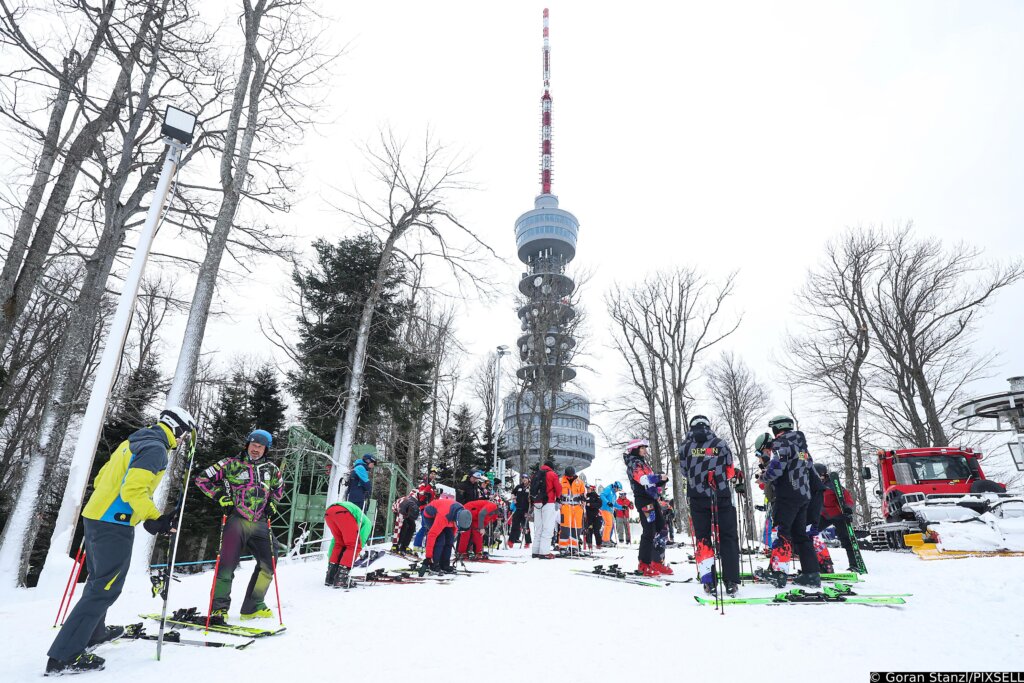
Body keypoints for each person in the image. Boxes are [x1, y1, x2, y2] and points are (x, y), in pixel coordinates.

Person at [46, 406, 197, 675]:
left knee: (99, 581)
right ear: (177, 429)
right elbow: (133, 489)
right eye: (184, 434)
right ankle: (64, 656)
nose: (183, 440)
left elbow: (103, 477)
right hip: (112, 523)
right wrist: (153, 518)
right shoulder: (155, 449)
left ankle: (94, 633)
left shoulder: (135, 441)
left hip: (97, 516)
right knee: (105, 588)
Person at [195, 429, 284, 621]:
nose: (256, 449)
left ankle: (253, 605)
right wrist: (220, 496)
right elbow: (201, 479)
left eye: (260, 447)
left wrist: (273, 504)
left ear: (266, 449)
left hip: (260, 522)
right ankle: (219, 609)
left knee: (270, 561)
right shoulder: (230, 464)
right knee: (227, 565)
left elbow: (278, 488)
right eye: (253, 445)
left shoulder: (272, 469)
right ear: (247, 444)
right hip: (237, 519)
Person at [679, 415, 742, 596]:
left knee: (703, 537)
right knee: (728, 536)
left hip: (697, 497)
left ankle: (709, 581)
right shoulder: (720, 444)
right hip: (720, 495)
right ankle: (731, 581)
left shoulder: (685, 447)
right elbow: (729, 469)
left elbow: (684, 472)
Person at [757, 415, 821, 588]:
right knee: (800, 535)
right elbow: (810, 468)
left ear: (777, 429)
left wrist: (763, 477)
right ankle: (812, 574)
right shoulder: (802, 447)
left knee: (782, 532)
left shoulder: (781, 443)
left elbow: (777, 468)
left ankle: (778, 573)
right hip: (803, 495)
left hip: (787, 494)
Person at [623, 438, 670, 576]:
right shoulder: (634, 463)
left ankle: (657, 561)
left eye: (645, 448)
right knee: (649, 531)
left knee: (662, 529)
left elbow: (650, 483)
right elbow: (643, 480)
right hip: (644, 501)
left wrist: (660, 481)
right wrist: (659, 477)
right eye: (642, 448)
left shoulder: (643, 463)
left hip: (652, 499)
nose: (645, 450)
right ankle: (644, 564)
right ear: (635, 449)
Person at [816, 463, 860, 572]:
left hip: (838, 514)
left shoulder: (833, 485)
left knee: (846, 539)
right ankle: (821, 563)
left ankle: (854, 564)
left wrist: (848, 509)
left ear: (822, 474)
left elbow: (847, 498)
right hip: (824, 515)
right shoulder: (815, 485)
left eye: (818, 475)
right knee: (811, 534)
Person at [324, 500, 372, 587]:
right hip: (344, 512)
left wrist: (330, 563)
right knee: (354, 545)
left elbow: (334, 543)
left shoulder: (355, 517)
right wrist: (359, 547)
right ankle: (342, 579)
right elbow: (360, 541)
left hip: (329, 512)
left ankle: (330, 577)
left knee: (339, 543)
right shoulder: (366, 522)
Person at [419, 497, 472, 575]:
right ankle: (434, 564)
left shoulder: (462, 513)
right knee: (440, 538)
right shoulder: (444, 516)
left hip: (446, 514)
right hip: (431, 516)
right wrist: (428, 558)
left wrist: (450, 541)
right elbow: (431, 535)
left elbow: (453, 530)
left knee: (449, 538)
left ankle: (444, 564)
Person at [530, 459, 561, 559]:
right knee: (548, 528)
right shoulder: (552, 474)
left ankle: (535, 551)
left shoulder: (536, 474)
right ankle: (544, 552)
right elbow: (558, 488)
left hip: (536, 503)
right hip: (548, 502)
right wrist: (558, 498)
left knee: (538, 528)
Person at [558, 466, 587, 553]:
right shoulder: (560, 481)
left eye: (571, 476)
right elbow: (557, 493)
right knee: (565, 528)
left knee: (577, 528)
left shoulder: (580, 482)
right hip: (566, 506)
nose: (569, 477)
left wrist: (583, 499)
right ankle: (563, 547)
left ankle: (574, 547)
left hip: (577, 507)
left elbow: (583, 493)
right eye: (568, 476)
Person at [412, 467, 441, 550]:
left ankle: (428, 546)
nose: (433, 476)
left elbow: (434, 498)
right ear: (429, 474)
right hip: (424, 507)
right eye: (432, 474)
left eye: (435, 474)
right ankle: (417, 545)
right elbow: (421, 494)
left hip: (432, 508)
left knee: (430, 527)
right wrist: (429, 486)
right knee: (425, 526)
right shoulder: (424, 483)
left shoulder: (434, 485)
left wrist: (438, 496)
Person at [508, 473, 532, 548]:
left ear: (528, 479)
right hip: (518, 509)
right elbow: (513, 493)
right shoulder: (518, 487)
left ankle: (527, 542)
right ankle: (511, 541)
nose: (524, 480)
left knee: (525, 526)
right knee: (515, 525)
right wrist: (514, 498)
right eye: (523, 478)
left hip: (526, 509)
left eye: (525, 478)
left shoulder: (530, 487)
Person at [394, 490, 420, 555]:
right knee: (403, 526)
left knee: (412, 526)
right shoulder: (401, 511)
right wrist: (395, 544)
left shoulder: (415, 503)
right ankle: (397, 544)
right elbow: (397, 528)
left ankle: (404, 545)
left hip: (408, 509)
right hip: (397, 508)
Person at [584, 485, 604, 550]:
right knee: (589, 530)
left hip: (596, 516)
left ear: (592, 489)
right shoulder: (586, 496)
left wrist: (591, 505)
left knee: (596, 530)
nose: (588, 490)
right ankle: (589, 544)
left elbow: (600, 504)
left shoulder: (596, 496)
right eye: (587, 488)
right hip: (589, 516)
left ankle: (599, 544)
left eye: (589, 489)